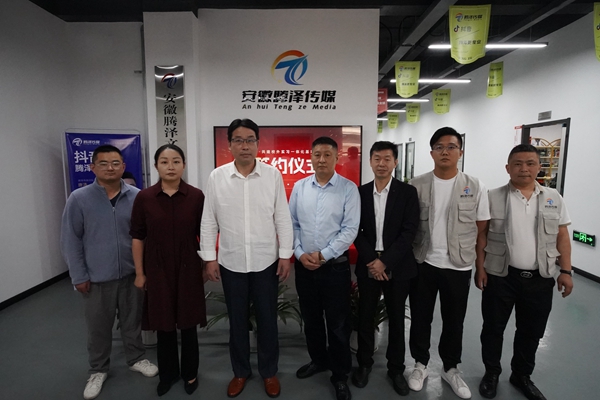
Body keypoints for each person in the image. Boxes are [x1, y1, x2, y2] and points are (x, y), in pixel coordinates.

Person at [200, 118, 293, 399]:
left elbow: (282, 217)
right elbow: (209, 220)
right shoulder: (217, 177)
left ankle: (269, 372)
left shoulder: (272, 175)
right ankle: (240, 371)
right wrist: (209, 258)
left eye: (250, 140)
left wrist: (285, 255)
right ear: (229, 145)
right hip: (232, 262)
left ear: (258, 143)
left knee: (267, 320)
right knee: (237, 321)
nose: (245, 146)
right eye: (238, 140)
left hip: (266, 261)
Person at [475, 144, 573, 400]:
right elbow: (481, 235)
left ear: (539, 167)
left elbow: (562, 236)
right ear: (508, 168)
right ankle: (491, 373)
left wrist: (566, 270)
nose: (524, 169)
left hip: (540, 278)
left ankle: (521, 375)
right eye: (517, 164)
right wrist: (480, 268)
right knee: (493, 328)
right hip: (500, 276)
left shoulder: (553, 198)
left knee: (531, 332)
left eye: (530, 163)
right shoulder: (492, 197)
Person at [60, 145, 158, 400]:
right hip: (96, 278)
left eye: (115, 163)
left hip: (132, 274)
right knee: (98, 327)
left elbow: (146, 236)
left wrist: (144, 271)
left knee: (132, 322)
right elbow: (71, 240)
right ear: (92, 167)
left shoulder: (138, 196)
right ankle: (98, 370)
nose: (110, 168)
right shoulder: (79, 198)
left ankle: (136, 358)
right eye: (103, 163)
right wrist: (78, 275)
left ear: (123, 167)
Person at [407, 127, 490, 399]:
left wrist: (480, 268)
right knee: (420, 317)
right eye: (439, 147)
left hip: (459, 265)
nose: (445, 151)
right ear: (431, 152)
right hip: (423, 262)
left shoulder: (475, 186)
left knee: (454, 320)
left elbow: (481, 230)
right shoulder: (416, 185)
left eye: (451, 146)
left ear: (460, 152)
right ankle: (420, 364)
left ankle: (450, 368)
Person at [130, 144, 206, 396]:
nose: (170, 166)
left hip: (188, 267)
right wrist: (140, 273)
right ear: (156, 166)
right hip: (157, 269)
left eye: (176, 161)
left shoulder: (196, 196)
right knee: (164, 324)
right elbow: (138, 236)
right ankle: (168, 374)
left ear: (184, 165)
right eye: (164, 162)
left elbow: (205, 234)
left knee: (188, 323)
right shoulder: (145, 198)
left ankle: (190, 373)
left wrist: (207, 264)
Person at [289, 136, 360, 400]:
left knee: (338, 324)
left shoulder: (348, 189)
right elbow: (292, 224)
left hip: (334, 268)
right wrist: (299, 253)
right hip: (305, 267)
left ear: (336, 158)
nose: (321, 160)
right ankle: (318, 360)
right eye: (317, 154)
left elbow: (350, 229)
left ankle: (340, 375)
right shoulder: (300, 187)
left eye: (327, 155)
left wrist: (324, 255)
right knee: (312, 320)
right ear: (310, 157)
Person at [352, 141, 419, 396]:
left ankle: (396, 369)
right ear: (370, 161)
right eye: (377, 158)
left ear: (395, 162)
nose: (382, 163)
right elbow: (355, 230)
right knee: (365, 317)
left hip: (398, 266)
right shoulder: (359, 193)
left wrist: (386, 261)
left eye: (387, 158)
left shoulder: (407, 193)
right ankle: (364, 364)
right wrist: (373, 261)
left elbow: (409, 231)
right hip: (369, 264)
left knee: (397, 319)